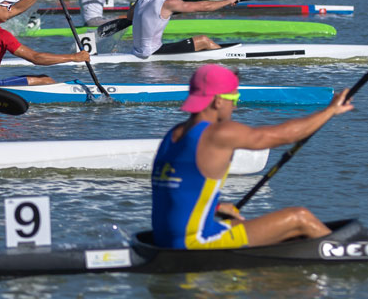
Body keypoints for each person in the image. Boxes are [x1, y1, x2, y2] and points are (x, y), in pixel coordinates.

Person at [151, 64, 352, 249]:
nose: (235, 107)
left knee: (245, 225)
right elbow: (282, 136)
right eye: (234, 99)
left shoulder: (173, 135)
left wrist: (217, 207)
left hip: (162, 240)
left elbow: (176, 190)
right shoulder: (218, 133)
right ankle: (350, 255)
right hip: (195, 242)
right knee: (300, 218)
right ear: (218, 101)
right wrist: (330, 111)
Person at [130, 0, 235, 58]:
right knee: (203, 40)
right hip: (152, 52)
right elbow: (205, 7)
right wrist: (228, 1)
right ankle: (228, 59)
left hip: (137, 51)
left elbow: (130, 16)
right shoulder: (169, 3)